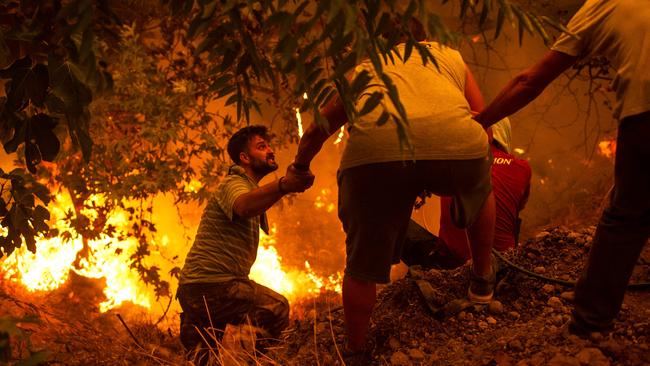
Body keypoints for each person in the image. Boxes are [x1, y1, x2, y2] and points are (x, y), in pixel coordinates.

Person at [293, 20, 497, 355]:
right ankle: (482, 278)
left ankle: (356, 351)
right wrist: (466, 174)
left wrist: (299, 168)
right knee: (481, 184)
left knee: (361, 267)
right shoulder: (448, 56)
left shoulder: (361, 69)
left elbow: (317, 130)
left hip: (373, 159)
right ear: (426, 40)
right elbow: (483, 118)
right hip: (457, 147)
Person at [474, 0, 650, 336]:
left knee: (626, 218)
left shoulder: (602, 5)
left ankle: (590, 323)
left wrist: (483, 120)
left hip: (645, 113)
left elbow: (530, 81)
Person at [176, 125, 314, 362]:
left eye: (269, 145)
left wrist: (285, 187)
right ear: (244, 158)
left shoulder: (249, 188)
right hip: (214, 287)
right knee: (277, 308)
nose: (270, 150)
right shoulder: (234, 182)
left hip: (193, 289)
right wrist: (283, 184)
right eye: (262, 147)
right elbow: (243, 206)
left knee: (203, 360)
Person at [438, 118, 532, 263]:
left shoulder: (450, 161)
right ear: (505, 134)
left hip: (450, 260)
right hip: (501, 264)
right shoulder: (522, 168)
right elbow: (520, 206)